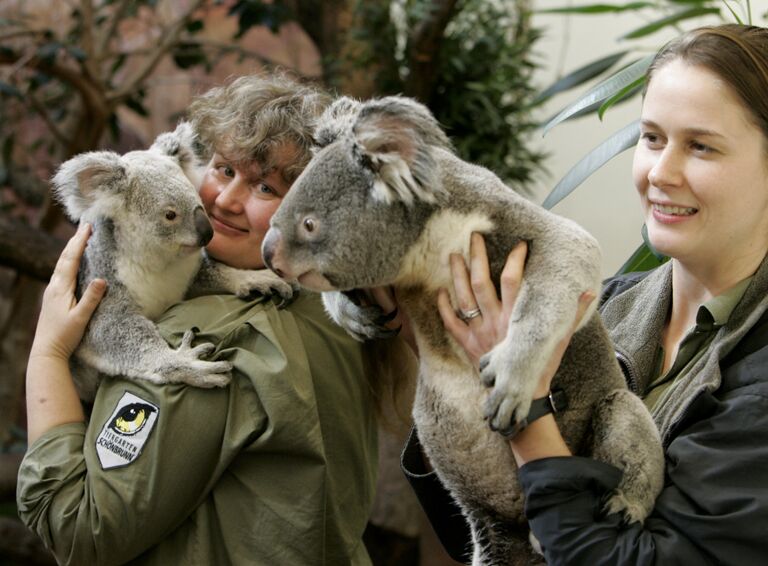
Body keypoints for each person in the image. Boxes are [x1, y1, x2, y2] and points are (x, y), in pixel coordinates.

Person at [402, 23, 768, 565]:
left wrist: (522, 402)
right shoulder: (604, 305)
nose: (660, 172)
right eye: (651, 138)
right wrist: (448, 355)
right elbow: (478, 527)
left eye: (701, 147)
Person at [17, 74, 381, 565]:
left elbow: (80, 529)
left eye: (266, 186)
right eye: (223, 168)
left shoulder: (208, 340)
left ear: (311, 211)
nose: (227, 200)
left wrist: (47, 353)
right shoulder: (333, 305)